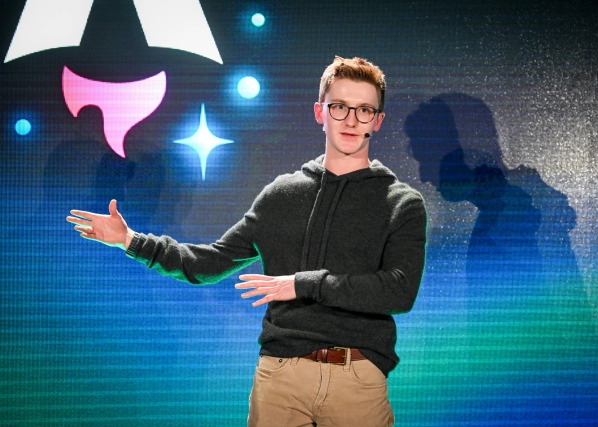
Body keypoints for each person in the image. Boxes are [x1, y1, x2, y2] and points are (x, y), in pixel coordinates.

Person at [67, 56, 428, 427]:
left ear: (378, 120)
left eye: (364, 110)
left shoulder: (401, 203)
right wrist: (131, 240)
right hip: (281, 378)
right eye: (340, 107)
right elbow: (209, 263)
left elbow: (398, 292)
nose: (351, 120)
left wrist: (301, 283)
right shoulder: (282, 194)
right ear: (320, 112)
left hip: (359, 379)